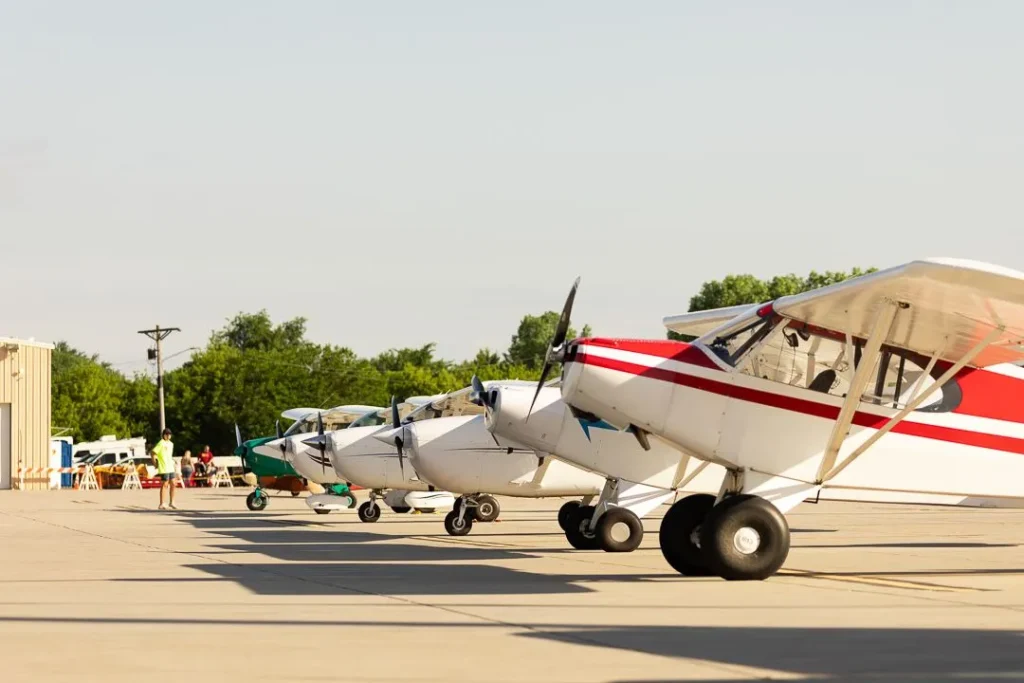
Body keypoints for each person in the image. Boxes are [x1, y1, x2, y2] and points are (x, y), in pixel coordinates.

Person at [152, 429, 177, 509]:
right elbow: (153, 453)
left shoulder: (171, 444)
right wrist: (155, 463)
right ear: (164, 435)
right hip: (164, 467)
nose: (169, 436)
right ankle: (162, 503)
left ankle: (172, 502)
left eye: (170, 434)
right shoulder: (161, 443)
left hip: (170, 466)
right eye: (167, 434)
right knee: (165, 484)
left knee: (173, 483)